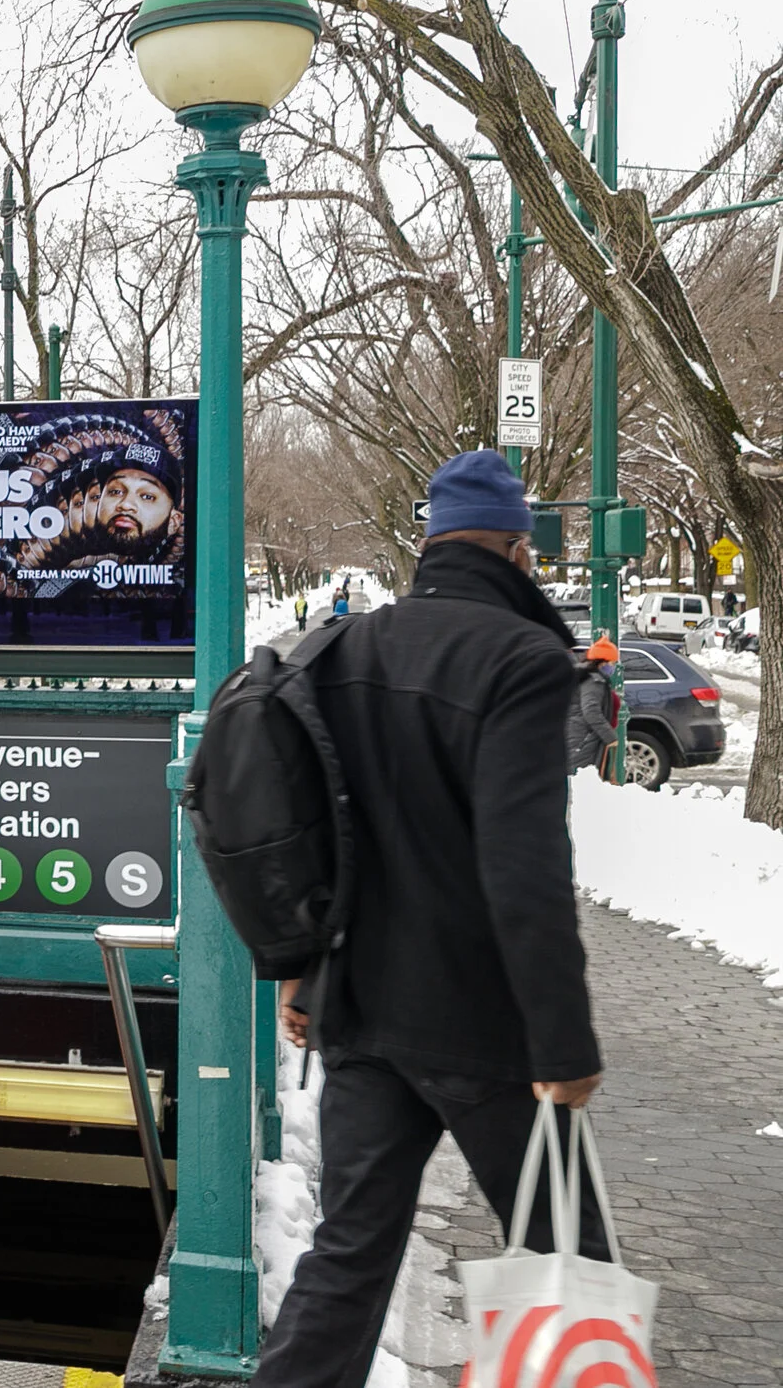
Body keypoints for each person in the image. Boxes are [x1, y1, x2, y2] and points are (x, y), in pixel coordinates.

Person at [260, 450, 605, 1388]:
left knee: (350, 1257)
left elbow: (316, 837)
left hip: (365, 1016)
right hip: (483, 1027)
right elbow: (525, 868)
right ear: (514, 548)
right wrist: (563, 1045)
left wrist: (303, 972)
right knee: (565, 1261)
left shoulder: (353, 647)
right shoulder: (525, 660)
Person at [565, 635, 620, 779]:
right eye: (612, 662)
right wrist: (610, 736)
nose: (613, 666)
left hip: (575, 734)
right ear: (602, 662)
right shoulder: (594, 681)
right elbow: (591, 711)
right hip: (583, 738)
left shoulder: (584, 676)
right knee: (580, 781)